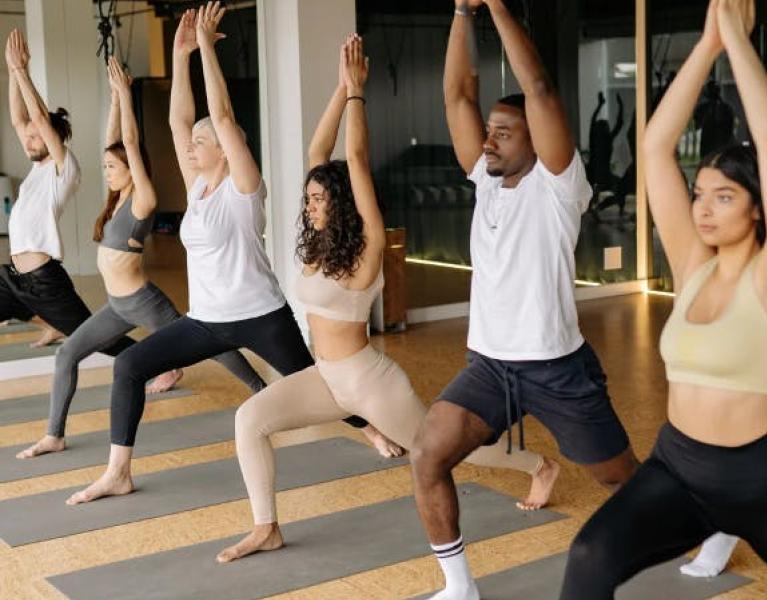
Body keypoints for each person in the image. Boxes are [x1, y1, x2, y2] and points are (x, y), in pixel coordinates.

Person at [559, 2, 767, 598]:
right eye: (699, 196)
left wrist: (738, 41)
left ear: (759, 207)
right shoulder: (693, 264)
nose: (703, 209)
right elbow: (656, 144)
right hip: (677, 468)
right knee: (589, 555)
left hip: (764, 479)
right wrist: (708, 42)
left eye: (723, 197)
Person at [216, 33, 558, 564]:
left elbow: (352, 155)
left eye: (317, 199)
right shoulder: (318, 246)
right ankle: (267, 526)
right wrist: (340, 87)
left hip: (370, 384)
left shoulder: (368, 247)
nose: (308, 207)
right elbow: (317, 152)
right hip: (325, 379)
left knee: (445, 452)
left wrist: (358, 95)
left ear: (344, 205)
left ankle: (538, 465)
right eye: (306, 198)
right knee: (249, 419)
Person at [64, 3, 393, 506]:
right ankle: (118, 470)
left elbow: (220, 116)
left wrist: (209, 59)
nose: (190, 146)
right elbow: (179, 121)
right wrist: (180, 57)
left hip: (261, 314)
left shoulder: (245, 188)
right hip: (207, 320)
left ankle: (370, 429)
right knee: (128, 367)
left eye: (202, 141)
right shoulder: (198, 189)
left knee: (317, 382)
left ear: (227, 145)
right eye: (192, 142)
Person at [410, 2, 637, 598]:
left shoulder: (559, 186)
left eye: (503, 132)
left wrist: (500, 8)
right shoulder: (485, 179)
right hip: (489, 365)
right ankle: (460, 587)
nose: (487, 140)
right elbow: (457, 93)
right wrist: (461, 11)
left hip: (557, 369)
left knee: (621, 480)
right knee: (428, 454)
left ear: (541, 140)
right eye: (489, 131)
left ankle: (710, 524)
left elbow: (537, 86)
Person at [15, 57, 268, 460]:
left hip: (144, 303)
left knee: (214, 344)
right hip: (117, 307)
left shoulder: (143, 201)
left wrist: (127, 99)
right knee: (67, 354)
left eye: (113, 167)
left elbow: (129, 144)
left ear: (131, 169)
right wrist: (115, 99)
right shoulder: (115, 202)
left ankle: (260, 390)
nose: (107, 171)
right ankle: (54, 434)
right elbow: (114, 141)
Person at [1, 30, 136, 357]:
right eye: (29, 138)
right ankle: (51, 324)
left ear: (54, 140)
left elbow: (35, 119)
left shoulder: (65, 168)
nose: (29, 140)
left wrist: (22, 72)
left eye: (37, 137)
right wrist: (10, 71)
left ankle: (160, 364)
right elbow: (20, 119)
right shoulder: (37, 169)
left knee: (92, 336)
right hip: (15, 277)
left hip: (44, 280)